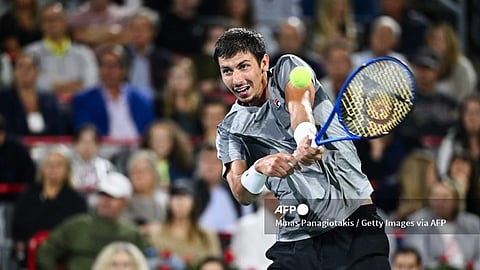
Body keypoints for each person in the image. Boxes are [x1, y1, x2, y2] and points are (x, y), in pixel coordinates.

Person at [213, 28, 390, 269]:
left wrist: (306, 137)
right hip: (296, 241)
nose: (237, 80)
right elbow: (241, 193)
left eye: (244, 66)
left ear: (264, 62)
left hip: (354, 226)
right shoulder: (230, 129)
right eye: (227, 71)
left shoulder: (289, 67)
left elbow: (300, 106)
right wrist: (259, 169)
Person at [36, 171, 148, 270]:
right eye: (102, 195)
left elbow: (144, 262)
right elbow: (47, 250)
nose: (106, 201)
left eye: (112, 196)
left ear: (125, 202)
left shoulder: (133, 233)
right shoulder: (77, 225)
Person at [12, 146, 87, 268]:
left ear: (67, 170)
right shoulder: (27, 196)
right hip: (30, 257)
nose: (53, 169)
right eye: (49, 164)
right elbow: (18, 232)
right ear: (42, 168)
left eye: (58, 165)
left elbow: (79, 234)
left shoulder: (77, 200)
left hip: (65, 259)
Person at [71, 44, 155, 140]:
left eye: (114, 66)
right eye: (105, 65)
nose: (109, 71)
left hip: (138, 148)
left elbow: (150, 132)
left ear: (124, 70)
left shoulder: (142, 99)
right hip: (102, 149)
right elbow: (83, 133)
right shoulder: (83, 100)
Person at [24, 3, 98, 101]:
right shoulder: (30, 53)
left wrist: (54, 86)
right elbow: (33, 83)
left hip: (79, 105)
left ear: (65, 22)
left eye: (57, 19)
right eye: (48, 20)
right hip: (45, 106)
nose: (53, 23)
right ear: (41, 24)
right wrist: (76, 84)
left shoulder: (84, 52)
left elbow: (91, 83)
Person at [403, 181, 480, 269]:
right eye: (435, 196)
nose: (439, 201)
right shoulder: (418, 221)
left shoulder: (473, 223)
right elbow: (417, 257)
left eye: (445, 197)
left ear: (456, 200)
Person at [151, 180, 222, 267]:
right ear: (169, 202)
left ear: (194, 202)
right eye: (175, 196)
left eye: (185, 196)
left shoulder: (207, 236)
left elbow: (216, 265)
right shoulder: (157, 235)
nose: (180, 201)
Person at [0, 53, 66, 136]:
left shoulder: (50, 99)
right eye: (21, 67)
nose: (25, 71)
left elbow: (59, 129)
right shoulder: (3, 99)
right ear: (14, 72)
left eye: (29, 67)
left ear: (37, 72)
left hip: (48, 145)